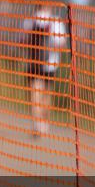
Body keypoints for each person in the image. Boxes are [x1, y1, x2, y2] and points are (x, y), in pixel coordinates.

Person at [24, 8, 67, 136]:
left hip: (34, 62)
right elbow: (61, 43)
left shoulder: (30, 20)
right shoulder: (55, 21)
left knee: (35, 94)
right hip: (51, 64)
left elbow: (22, 40)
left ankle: (38, 124)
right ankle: (43, 123)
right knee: (46, 94)